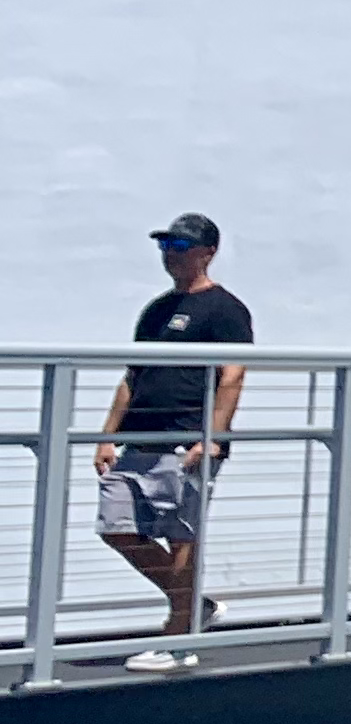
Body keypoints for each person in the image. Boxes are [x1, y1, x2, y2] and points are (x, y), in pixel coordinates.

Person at [97, 212, 250, 667]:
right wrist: (106, 438)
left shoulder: (225, 309)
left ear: (208, 252)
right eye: (165, 245)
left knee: (182, 534)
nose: (169, 254)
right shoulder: (157, 309)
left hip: (187, 440)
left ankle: (180, 638)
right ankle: (194, 607)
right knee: (117, 528)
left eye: (180, 246)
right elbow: (132, 375)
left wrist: (213, 437)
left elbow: (233, 375)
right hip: (139, 441)